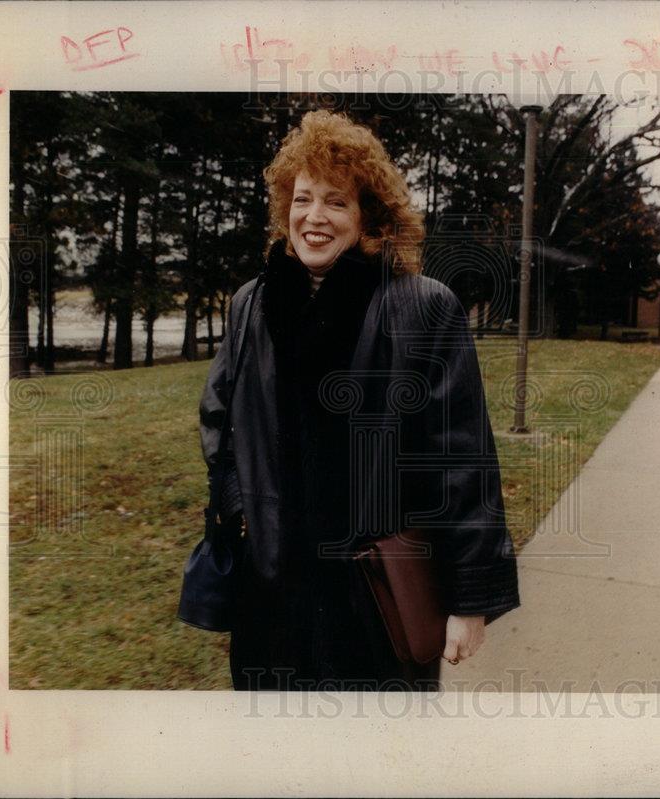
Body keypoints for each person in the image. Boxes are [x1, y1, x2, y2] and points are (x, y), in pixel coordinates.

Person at [198, 110, 520, 691]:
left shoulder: (422, 307)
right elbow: (221, 422)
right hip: (272, 597)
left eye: (335, 202)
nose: (313, 218)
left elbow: (463, 462)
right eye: (302, 199)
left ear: (368, 216)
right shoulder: (252, 304)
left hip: (376, 601)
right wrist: (243, 510)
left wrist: (470, 600)